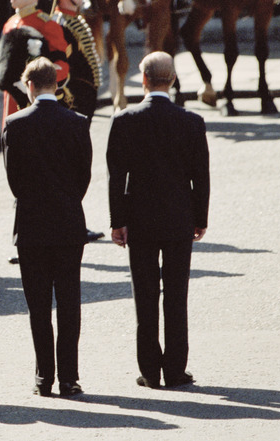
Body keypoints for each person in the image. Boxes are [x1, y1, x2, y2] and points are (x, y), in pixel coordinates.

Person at [107, 51, 210, 389]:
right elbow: (201, 177)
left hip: (140, 219)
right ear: (174, 80)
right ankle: (176, 370)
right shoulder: (192, 121)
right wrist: (200, 217)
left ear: (145, 80)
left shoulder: (124, 120)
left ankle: (150, 370)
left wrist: (117, 220)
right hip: (179, 217)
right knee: (176, 296)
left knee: (146, 296)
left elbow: (116, 176)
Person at [2, 58, 92, 398]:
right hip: (68, 221)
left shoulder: (15, 122)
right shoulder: (77, 122)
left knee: (38, 306)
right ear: (56, 85)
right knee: (69, 302)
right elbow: (83, 175)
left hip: (32, 224)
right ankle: (69, 377)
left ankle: (44, 377)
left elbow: (14, 180)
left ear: (29, 86)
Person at [45, 0, 105, 245]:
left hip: (83, 104)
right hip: (73, 104)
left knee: (77, 167)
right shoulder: (60, 23)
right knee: (72, 168)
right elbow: (63, 68)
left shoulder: (74, 19)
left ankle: (74, 222)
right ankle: (72, 224)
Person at [0, 0, 71, 123]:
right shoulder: (10, 23)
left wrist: (40, 83)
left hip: (35, 100)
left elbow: (62, 66)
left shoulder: (46, 25)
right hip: (11, 100)